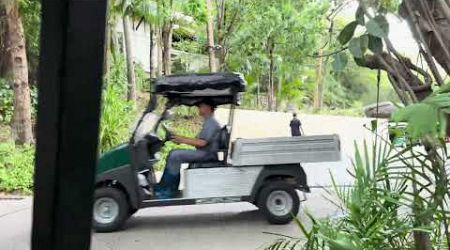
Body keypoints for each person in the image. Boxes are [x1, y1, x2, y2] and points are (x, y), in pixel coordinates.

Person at [155, 100, 221, 199]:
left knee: (175, 155)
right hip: (204, 152)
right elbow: (198, 141)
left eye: (201, 106)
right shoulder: (208, 121)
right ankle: (167, 187)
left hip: (207, 154)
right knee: (174, 154)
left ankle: (168, 191)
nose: (199, 109)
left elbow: (202, 142)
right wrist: (179, 138)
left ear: (208, 108)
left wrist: (182, 139)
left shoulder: (211, 122)